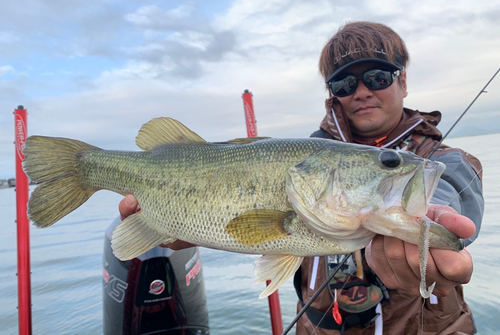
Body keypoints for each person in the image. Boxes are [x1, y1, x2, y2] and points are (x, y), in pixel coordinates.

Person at [119, 21, 484, 334]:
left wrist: (427, 226)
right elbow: (254, 231)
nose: (361, 91)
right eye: (344, 83)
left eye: (376, 76)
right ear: (332, 94)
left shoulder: (446, 161)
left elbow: (449, 198)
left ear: (402, 81)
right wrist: (180, 223)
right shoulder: (303, 161)